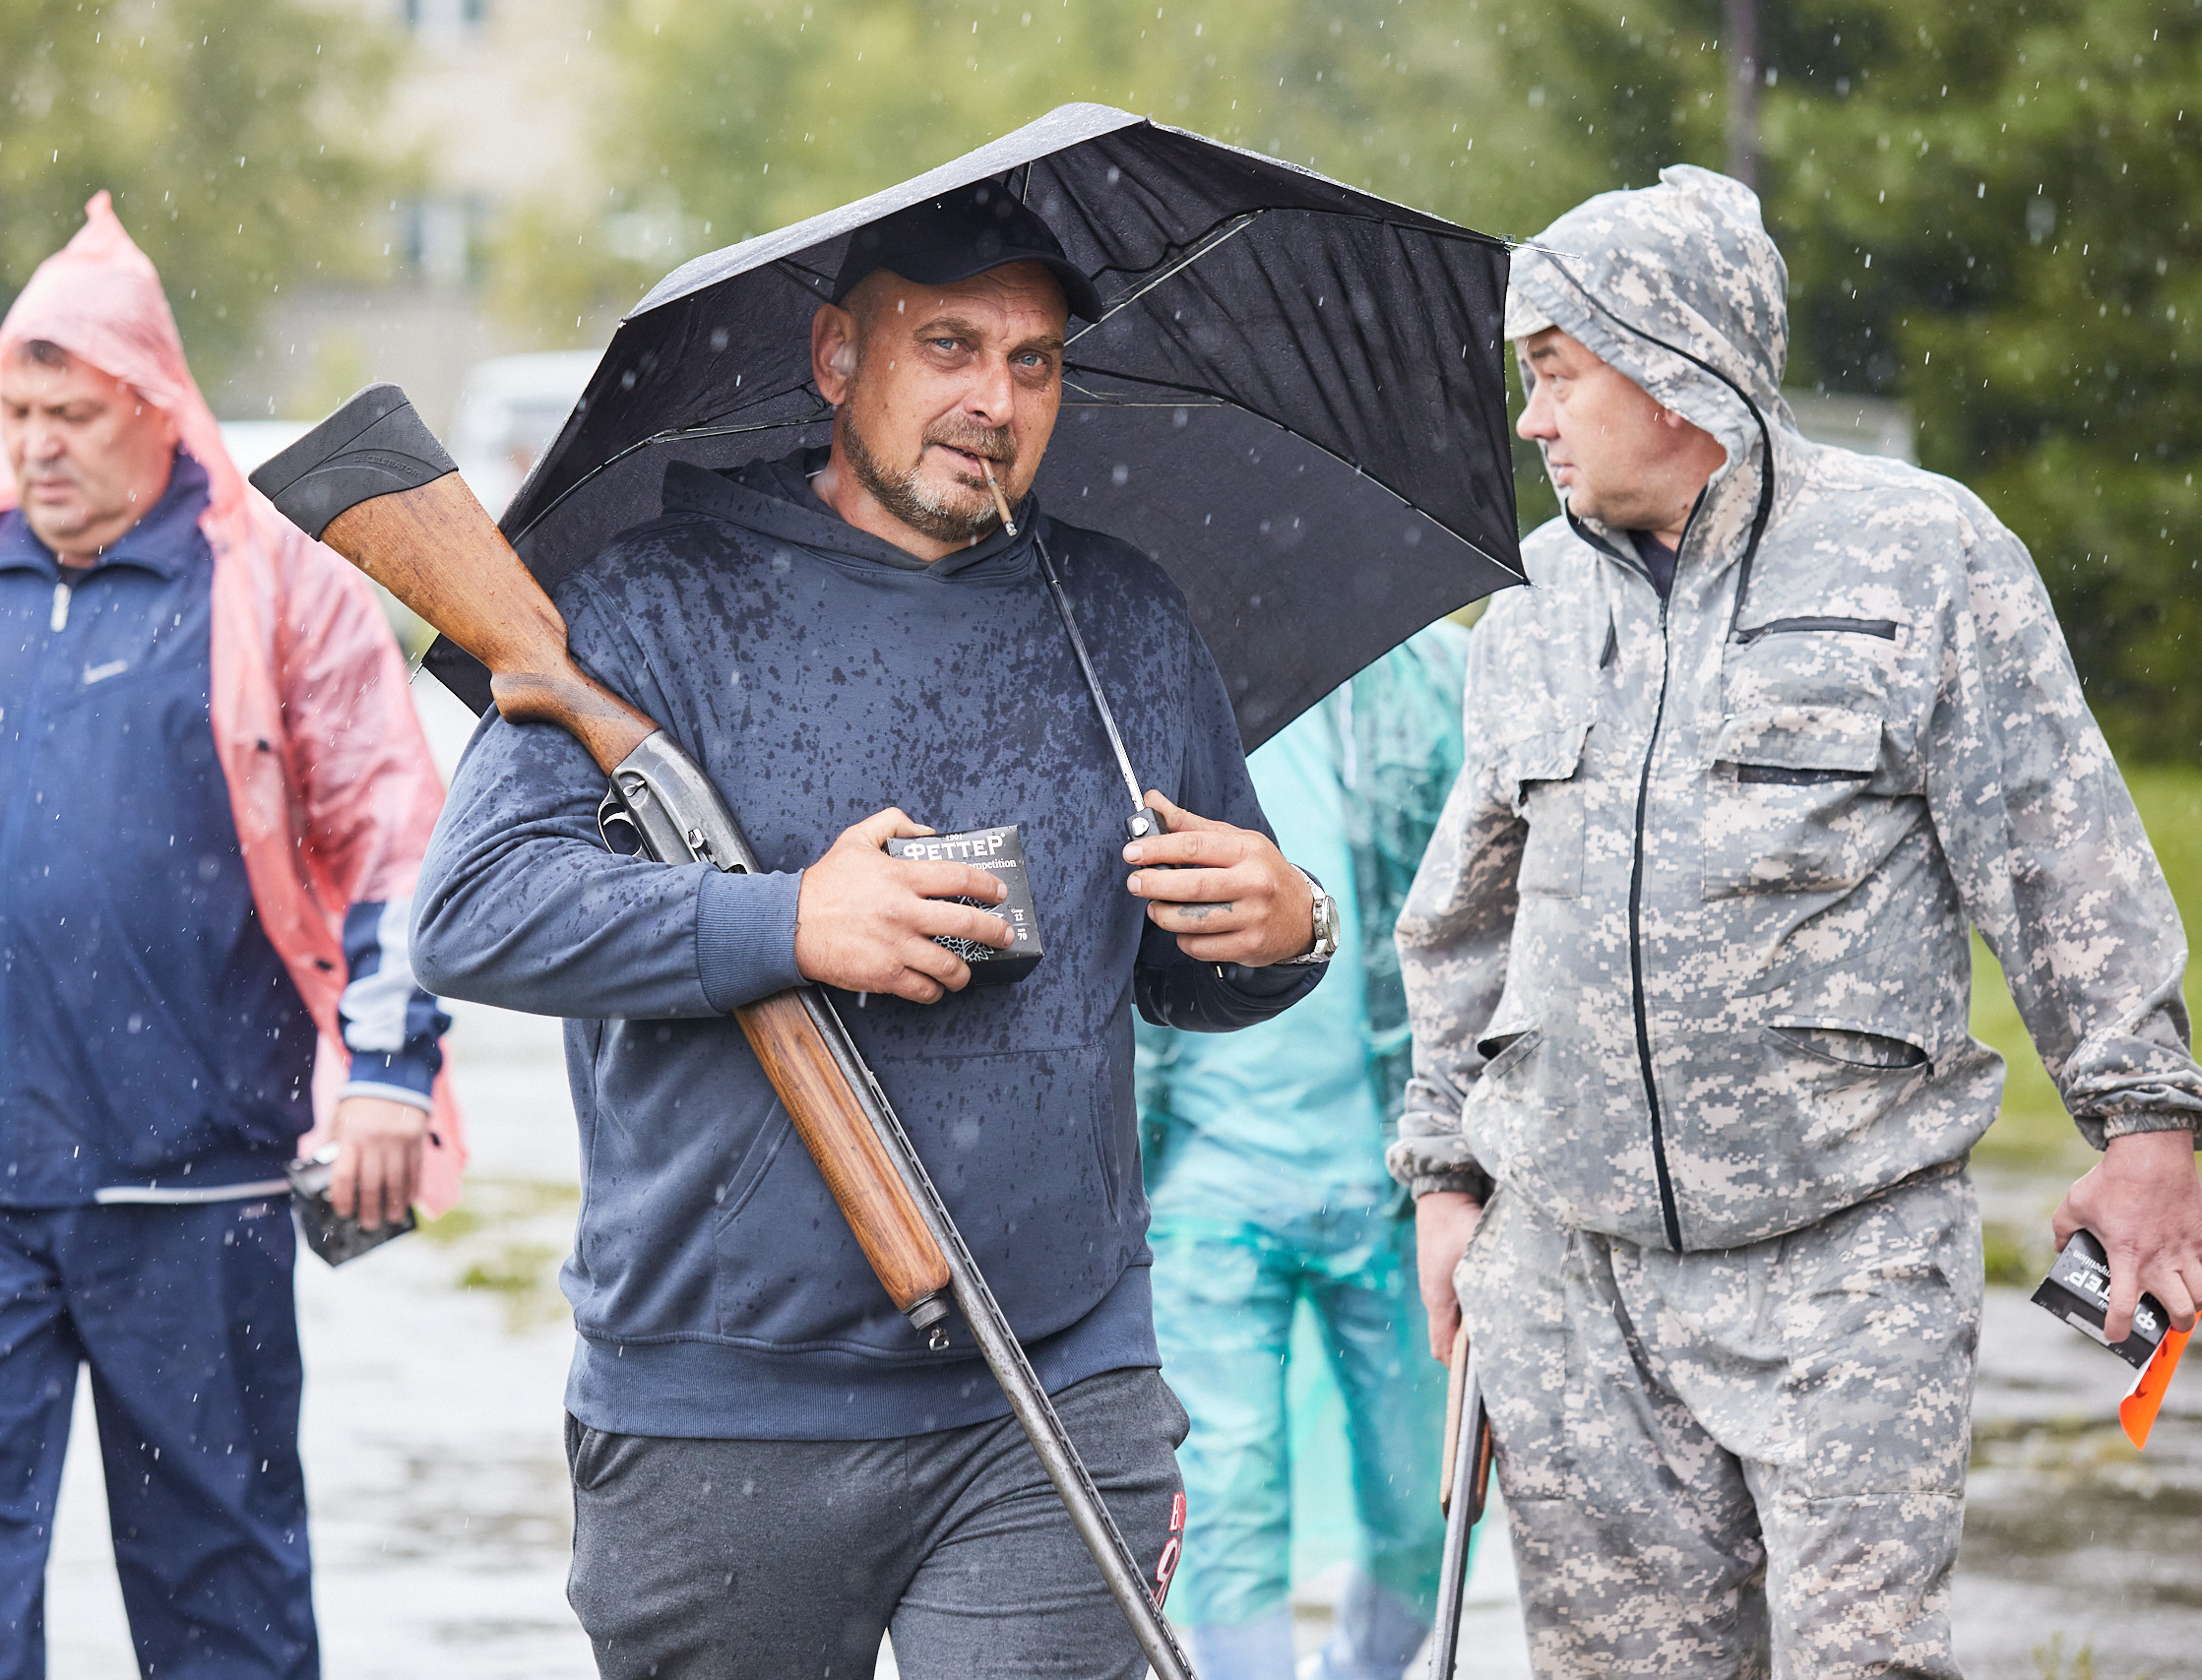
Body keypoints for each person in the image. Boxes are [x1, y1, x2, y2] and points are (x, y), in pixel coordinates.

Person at [411, 183, 1336, 1678]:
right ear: (839, 357)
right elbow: (474, 911)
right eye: (952, 344)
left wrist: (1285, 928)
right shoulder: (650, 606)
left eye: (1035, 362)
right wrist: (790, 919)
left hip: (1059, 1375)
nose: (996, 397)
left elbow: (1182, 972)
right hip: (719, 1400)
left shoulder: (1125, 617)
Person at [1391, 163, 2202, 1676]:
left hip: (1846, 1264)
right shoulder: (1532, 604)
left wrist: (2147, 1128)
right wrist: (1446, 1179)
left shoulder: (1923, 557)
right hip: (1576, 1283)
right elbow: (1463, 926)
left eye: (1556, 373)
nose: (1532, 419)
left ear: (1676, 362)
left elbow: (2060, 857)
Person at [0, 194, 465, 1680]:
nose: (39, 444)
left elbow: (396, 831)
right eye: (17, 411)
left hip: (194, 1182)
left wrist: (389, 1071)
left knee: (219, 1565)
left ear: (159, 410)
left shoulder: (269, 589)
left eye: (73, 411)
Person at [1135, 624, 1467, 1680]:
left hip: (1393, 1183)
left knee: (1428, 1508)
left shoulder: (1429, 686)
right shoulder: (1140, 701)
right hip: (1204, 1190)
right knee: (1228, 1511)